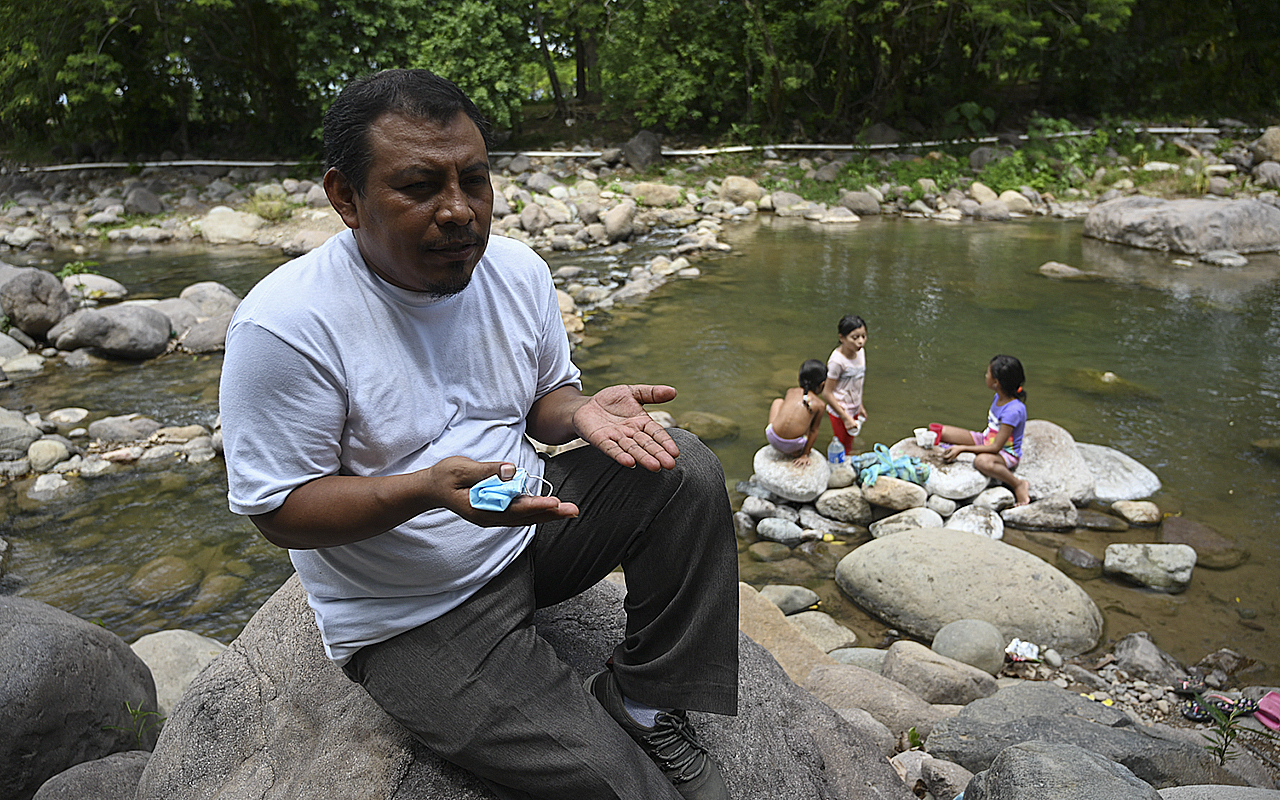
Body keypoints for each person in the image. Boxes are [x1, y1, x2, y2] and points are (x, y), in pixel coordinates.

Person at [218, 69, 737, 800]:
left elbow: (541, 402)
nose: (459, 212)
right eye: (420, 187)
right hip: (410, 613)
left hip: (529, 528)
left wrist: (579, 412)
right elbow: (279, 512)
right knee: (621, 789)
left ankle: (646, 699)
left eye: (475, 180)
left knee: (682, 466)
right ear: (345, 198)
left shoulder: (517, 271)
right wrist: (427, 491)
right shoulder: (286, 326)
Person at [934, 354, 1030, 506]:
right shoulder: (998, 396)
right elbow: (991, 435)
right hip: (985, 439)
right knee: (942, 432)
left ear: (996, 383)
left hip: (1004, 453)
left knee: (982, 462)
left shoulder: (1013, 411)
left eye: (988, 374)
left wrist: (962, 449)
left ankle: (1018, 484)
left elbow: (996, 447)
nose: (985, 376)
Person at [820, 314, 868, 456]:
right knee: (843, 446)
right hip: (840, 410)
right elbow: (826, 393)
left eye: (863, 336)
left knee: (849, 442)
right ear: (842, 338)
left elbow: (857, 383)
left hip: (854, 407)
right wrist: (845, 417)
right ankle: (840, 471)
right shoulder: (837, 362)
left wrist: (860, 404)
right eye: (855, 337)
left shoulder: (861, 353)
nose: (860, 342)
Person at [765, 359, 828, 466]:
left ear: (799, 378)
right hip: (794, 446)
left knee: (779, 401)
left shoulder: (791, 391)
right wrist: (805, 454)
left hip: (772, 438)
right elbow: (814, 431)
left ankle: (780, 435)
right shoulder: (820, 405)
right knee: (808, 418)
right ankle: (795, 452)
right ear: (822, 385)